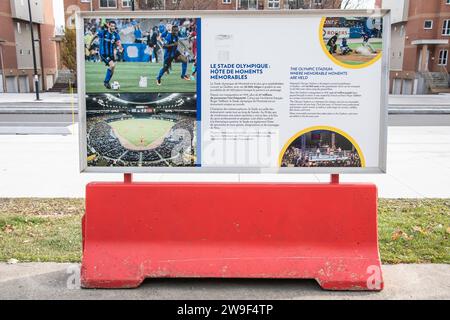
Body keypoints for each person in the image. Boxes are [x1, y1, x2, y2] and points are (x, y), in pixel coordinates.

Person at [95, 20, 122, 89]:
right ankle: (106, 82)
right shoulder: (103, 32)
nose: (113, 27)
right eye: (112, 26)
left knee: (113, 68)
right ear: (109, 26)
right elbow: (95, 36)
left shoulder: (115, 34)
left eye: (114, 26)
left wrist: (120, 47)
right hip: (103, 53)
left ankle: (107, 82)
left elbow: (118, 42)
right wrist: (89, 44)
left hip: (111, 54)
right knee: (112, 65)